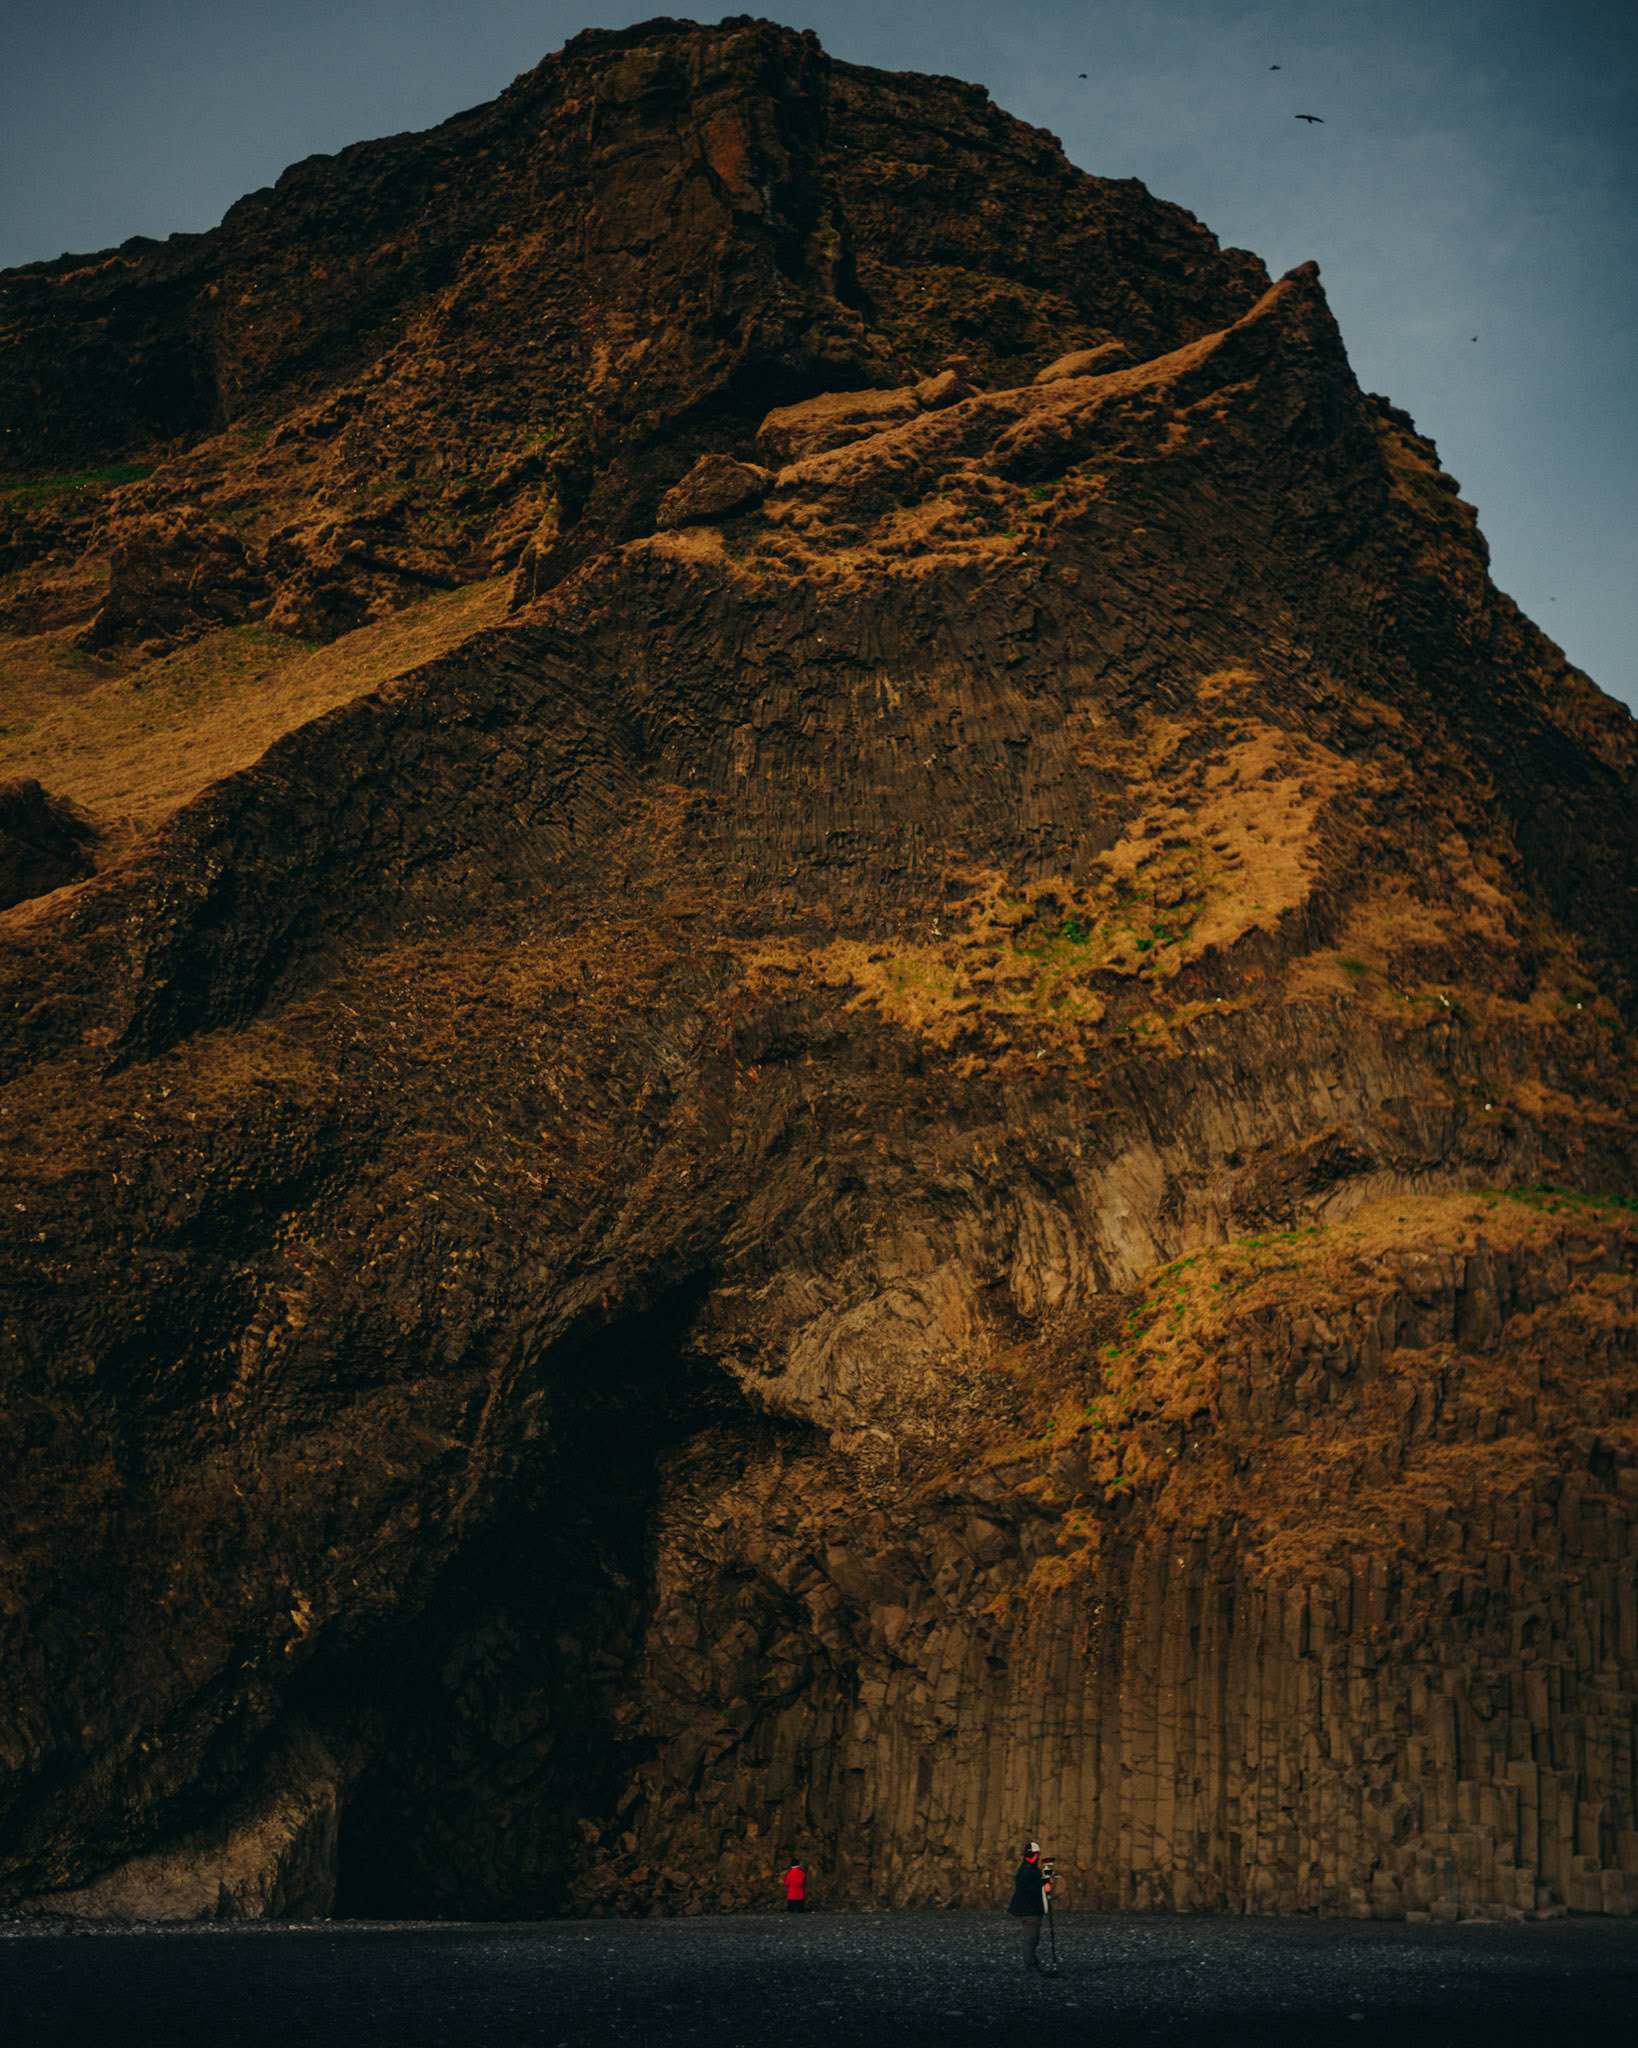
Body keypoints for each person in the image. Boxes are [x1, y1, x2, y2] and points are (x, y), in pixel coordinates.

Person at [1006, 1839, 1049, 1968]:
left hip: (1026, 1909)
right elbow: (1028, 1889)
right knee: (1031, 1939)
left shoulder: (1027, 1867)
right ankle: (1030, 1965)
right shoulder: (1028, 1869)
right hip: (1030, 1910)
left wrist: (1042, 1881)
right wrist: (1043, 1886)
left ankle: (1032, 1963)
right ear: (1035, 1855)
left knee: (1031, 1938)